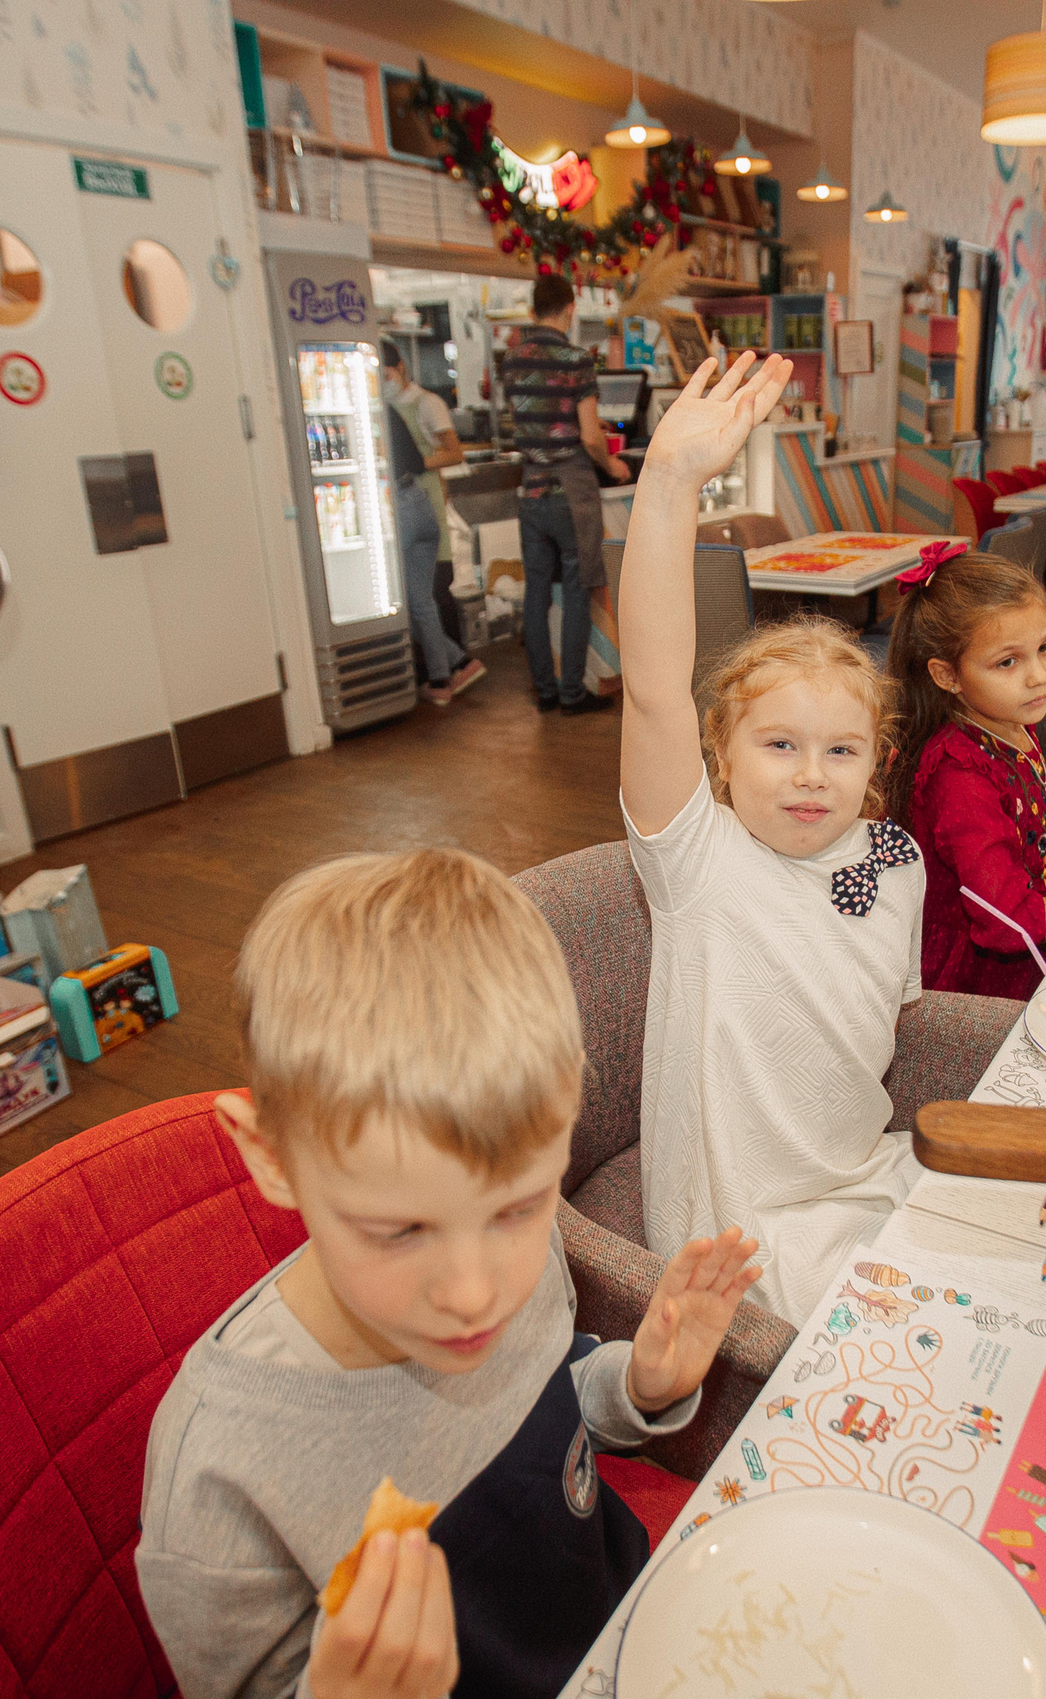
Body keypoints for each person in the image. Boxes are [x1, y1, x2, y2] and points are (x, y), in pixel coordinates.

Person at [137, 847, 761, 1699]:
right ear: (270, 1156)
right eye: (399, 1230)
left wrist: (637, 1385)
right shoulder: (219, 1469)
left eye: (517, 1206)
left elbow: (549, 1401)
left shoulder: (523, 1268)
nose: (477, 1292)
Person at [616, 350, 925, 1324]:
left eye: (840, 749)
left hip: (870, 1179)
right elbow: (656, 687)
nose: (807, 773)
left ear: (876, 764)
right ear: (721, 754)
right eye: (778, 743)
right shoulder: (696, 859)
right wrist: (668, 484)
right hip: (740, 1230)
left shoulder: (894, 858)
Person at [888, 537, 1046, 998]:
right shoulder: (960, 777)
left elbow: (1024, 804)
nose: (1040, 676)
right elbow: (1011, 924)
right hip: (986, 985)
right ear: (947, 675)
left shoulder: (1005, 717)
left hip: (1041, 936)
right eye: (1008, 661)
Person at [505, 275, 631, 714]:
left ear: (533, 308)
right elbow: (592, 436)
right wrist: (612, 465)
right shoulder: (575, 359)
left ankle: (544, 690)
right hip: (569, 490)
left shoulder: (513, 359)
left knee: (536, 592)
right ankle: (573, 694)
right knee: (578, 590)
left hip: (530, 490)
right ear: (569, 307)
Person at [378, 340, 484, 706]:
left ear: (402, 367)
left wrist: (420, 464)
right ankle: (454, 665)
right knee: (422, 600)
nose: (383, 381)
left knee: (430, 596)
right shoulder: (386, 407)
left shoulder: (427, 404)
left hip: (422, 506)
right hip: (412, 506)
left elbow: (453, 452)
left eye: (386, 373)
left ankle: (446, 672)